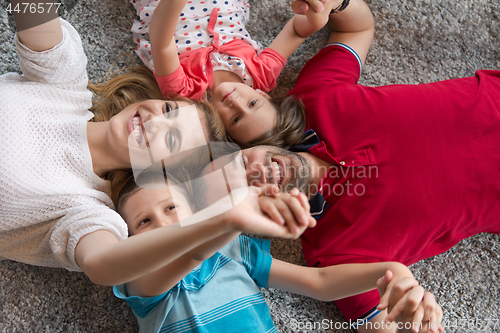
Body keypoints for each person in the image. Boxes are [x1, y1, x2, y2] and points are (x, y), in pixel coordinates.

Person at [235, 0, 500, 331]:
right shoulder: (333, 253)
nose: (256, 173)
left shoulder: (310, 100)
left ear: (252, 146)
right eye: (246, 188)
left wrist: (337, 3)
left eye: (241, 162)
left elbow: (356, 27)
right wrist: (409, 317)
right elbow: (377, 322)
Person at [0, 10, 305, 292]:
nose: (155, 122)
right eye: (168, 110)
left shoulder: (85, 209)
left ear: (159, 171)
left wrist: (223, 223)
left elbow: (103, 265)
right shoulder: (64, 82)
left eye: (170, 140)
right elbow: (30, 10)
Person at [110, 167, 443, 333]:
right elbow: (192, 254)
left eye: (171, 208)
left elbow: (320, 282)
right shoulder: (139, 279)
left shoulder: (232, 250)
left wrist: (392, 272)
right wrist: (231, 219)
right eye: (144, 223)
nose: (163, 225)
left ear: (197, 212)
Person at [129, 0, 338, 148]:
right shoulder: (260, 75)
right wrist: (316, 20)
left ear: (219, 129)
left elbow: (162, 42)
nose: (236, 102)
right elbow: (295, 31)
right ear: (263, 95)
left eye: (236, 119)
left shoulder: (187, 95)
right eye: (253, 104)